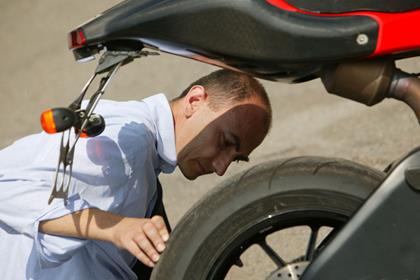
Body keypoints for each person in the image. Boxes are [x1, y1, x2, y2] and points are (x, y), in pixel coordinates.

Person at [0, 69, 272, 280]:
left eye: (235, 160)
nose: (221, 167)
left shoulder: (143, 157)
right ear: (195, 100)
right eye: (225, 142)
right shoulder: (127, 140)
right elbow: (5, 184)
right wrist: (117, 227)